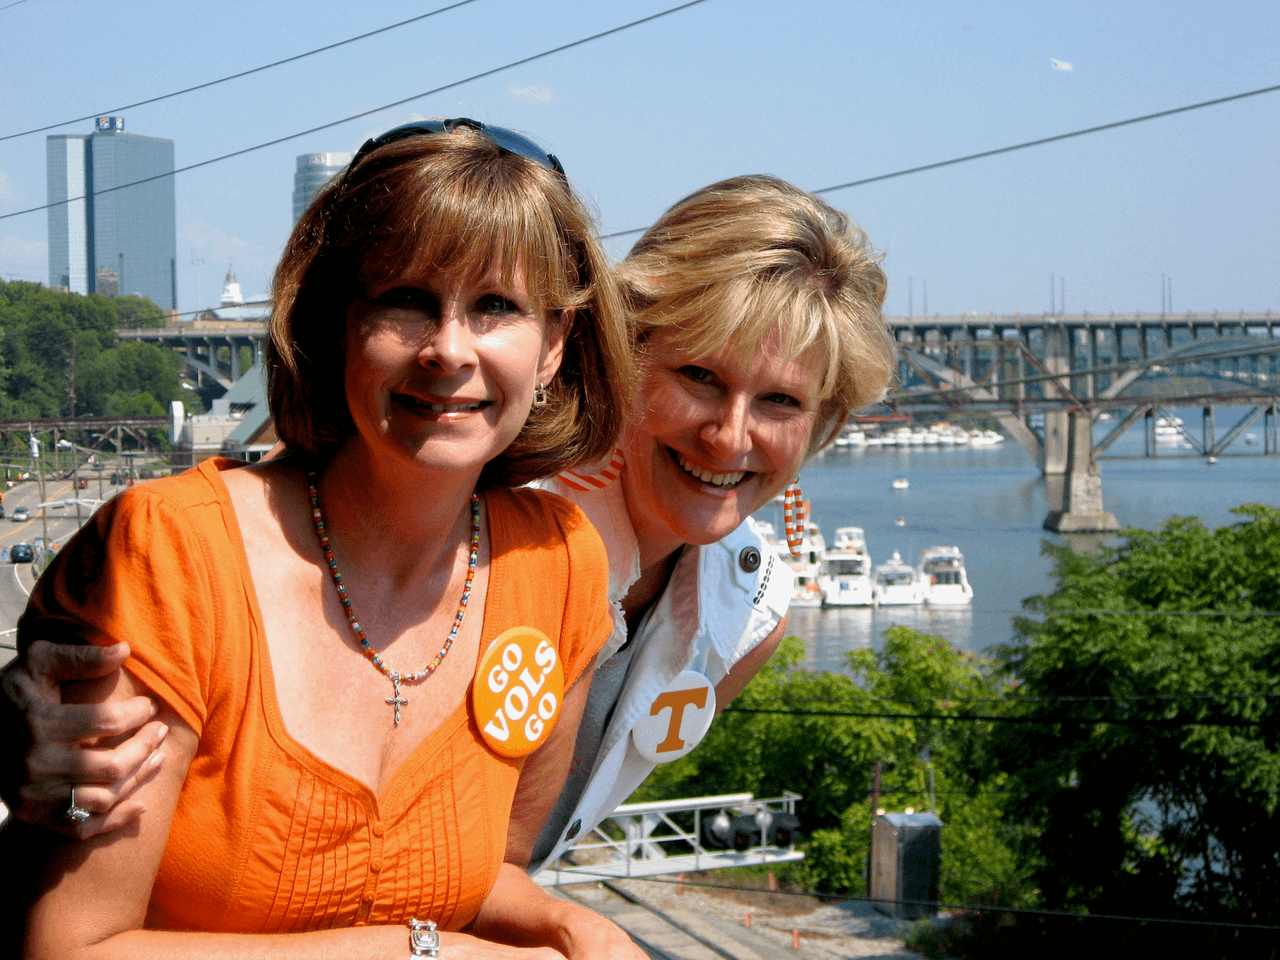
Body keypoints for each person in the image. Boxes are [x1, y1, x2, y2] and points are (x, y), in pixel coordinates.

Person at [3, 176, 894, 884]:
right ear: (617, 351)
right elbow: (231, 555)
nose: (730, 436)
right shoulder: (474, 502)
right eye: (698, 376)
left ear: (825, 427)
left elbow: (507, 852)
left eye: (780, 401)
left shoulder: (745, 610)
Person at [5, 118, 646, 960]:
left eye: (497, 307)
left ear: (555, 344)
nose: (449, 350)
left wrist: (573, 923)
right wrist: (418, 954)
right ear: (337, 323)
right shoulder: (173, 555)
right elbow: (72, 947)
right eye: (406, 301)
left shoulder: (558, 568)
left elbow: (485, 875)